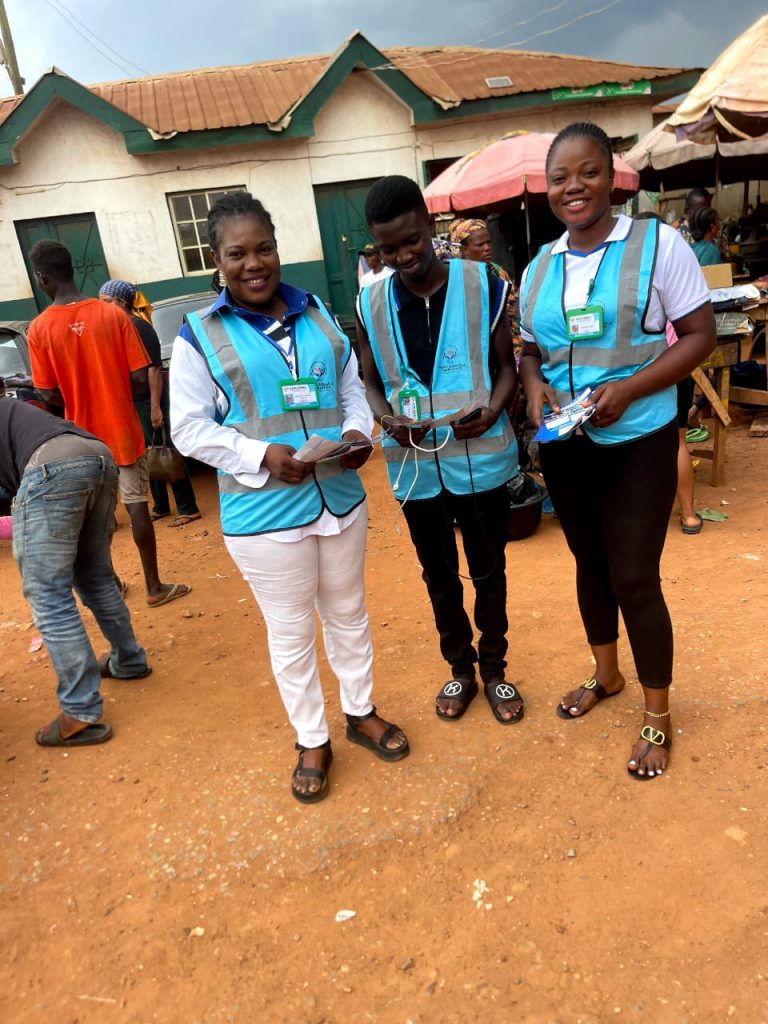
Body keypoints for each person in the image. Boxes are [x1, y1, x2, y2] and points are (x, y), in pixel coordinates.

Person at [169, 191, 409, 804]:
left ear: (278, 248)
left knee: (349, 614)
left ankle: (359, 711)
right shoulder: (200, 335)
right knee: (291, 631)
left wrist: (360, 434)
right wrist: (259, 456)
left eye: (264, 248)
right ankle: (311, 737)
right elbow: (189, 428)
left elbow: (353, 388)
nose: (255, 263)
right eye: (237, 253)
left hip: (339, 498)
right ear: (216, 263)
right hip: (264, 515)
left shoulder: (319, 312)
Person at [518, 122, 715, 779]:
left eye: (588, 172)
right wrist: (534, 385)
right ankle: (606, 676)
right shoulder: (541, 265)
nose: (574, 187)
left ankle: (658, 714)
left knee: (634, 575)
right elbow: (527, 349)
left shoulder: (660, 245)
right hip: (567, 445)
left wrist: (630, 389)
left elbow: (698, 335)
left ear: (613, 176)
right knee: (589, 564)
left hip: (637, 439)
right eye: (559, 178)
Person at [356, 176, 522, 725]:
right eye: (388, 248)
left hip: (482, 460)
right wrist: (386, 419)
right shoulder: (370, 299)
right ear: (376, 246)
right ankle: (461, 670)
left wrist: (496, 409)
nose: (403, 256)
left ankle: (496, 670)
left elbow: (507, 369)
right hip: (414, 468)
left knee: (489, 570)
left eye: (411, 241)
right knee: (438, 575)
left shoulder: (483, 286)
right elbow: (370, 380)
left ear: (430, 226)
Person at [26, 241, 191, 609]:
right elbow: (138, 377)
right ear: (72, 269)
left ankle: (112, 585)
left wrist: (75, 397)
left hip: (78, 439)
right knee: (137, 507)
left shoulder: (38, 330)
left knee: (95, 521)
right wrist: (112, 389)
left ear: (41, 278)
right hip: (122, 429)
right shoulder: (114, 316)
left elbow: (46, 393)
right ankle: (153, 587)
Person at [1, 396, 151, 747]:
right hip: (98, 454)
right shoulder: (15, 411)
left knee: (48, 594)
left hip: (50, 469)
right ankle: (129, 660)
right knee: (95, 576)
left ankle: (80, 711)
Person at [99, 279, 202, 528]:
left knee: (166, 449)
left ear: (122, 302)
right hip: (134, 401)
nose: (105, 308)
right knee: (147, 454)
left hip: (149, 399)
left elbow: (154, 369)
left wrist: (156, 407)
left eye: (109, 302)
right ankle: (161, 506)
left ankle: (188, 507)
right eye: (101, 303)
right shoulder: (120, 326)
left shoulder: (139, 327)